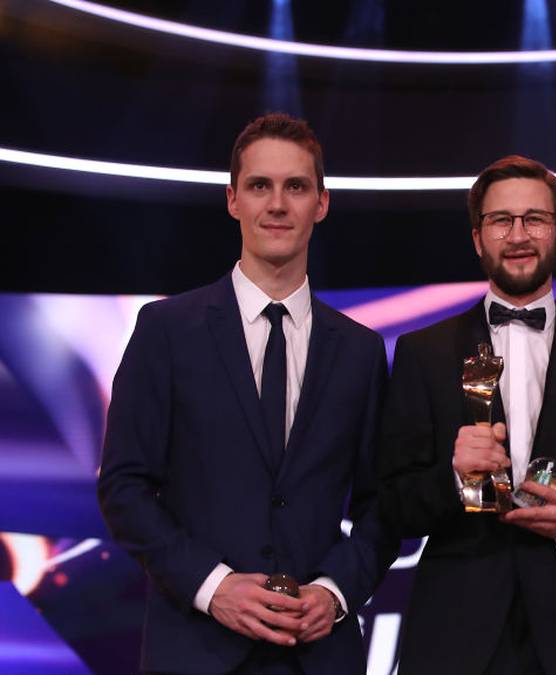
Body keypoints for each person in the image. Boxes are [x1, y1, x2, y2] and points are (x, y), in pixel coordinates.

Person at [97, 113, 391, 674]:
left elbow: (383, 505)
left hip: (320, 655)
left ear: (321, 204)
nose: (277, 204)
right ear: (233, 199)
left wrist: (333, 591)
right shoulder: (166, 330)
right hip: (195, 647)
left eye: (296, 187)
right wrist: (215, 587)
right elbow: (124, 487)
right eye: (260, 186)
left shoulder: (361, 350)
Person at [375, 155, 556, 675]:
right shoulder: (421, 353)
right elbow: (391, 505)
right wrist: (454, 479)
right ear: (478, 238)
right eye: (501, 220)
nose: (518, 235)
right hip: (452, 639)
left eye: (534, 219)